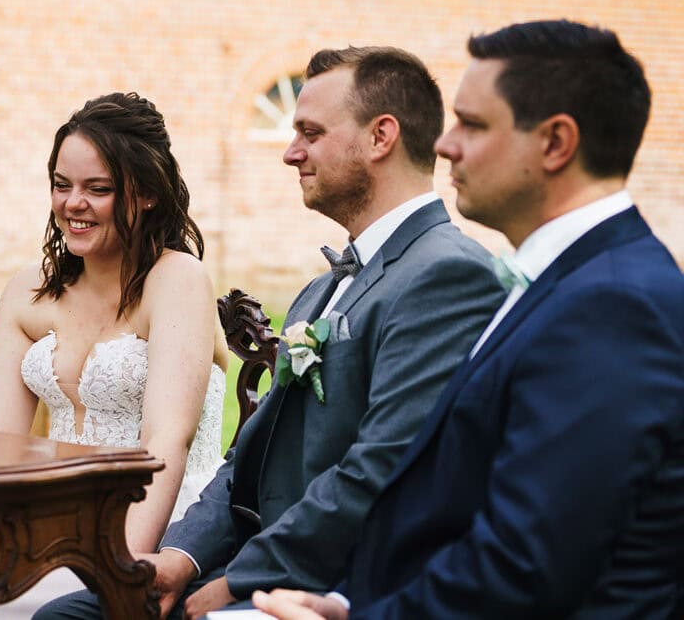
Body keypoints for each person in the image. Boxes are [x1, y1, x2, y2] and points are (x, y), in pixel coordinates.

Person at [38, 47, 503, 620]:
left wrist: (239, 582)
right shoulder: (320, 289)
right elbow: (245, 459)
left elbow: (378, 470)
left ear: (381, 136)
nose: (290, 153)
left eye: (310, 133)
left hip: (339, 584)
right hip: (248, 560)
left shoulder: (446, 275)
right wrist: (181, 558)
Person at [252, 21, 684, 619]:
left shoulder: (613, 303)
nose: (446, 145)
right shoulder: (570, 281)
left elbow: (529, 559)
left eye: (473, 125)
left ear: (555, 144)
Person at [0, 92, 227, 620]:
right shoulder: (28, 290)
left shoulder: (178, 280)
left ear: (147, 192)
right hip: (47, 522)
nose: (72, 204)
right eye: (62, 185)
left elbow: (166, 441)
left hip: (160, 518)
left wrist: (118, 573)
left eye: (96, 189)